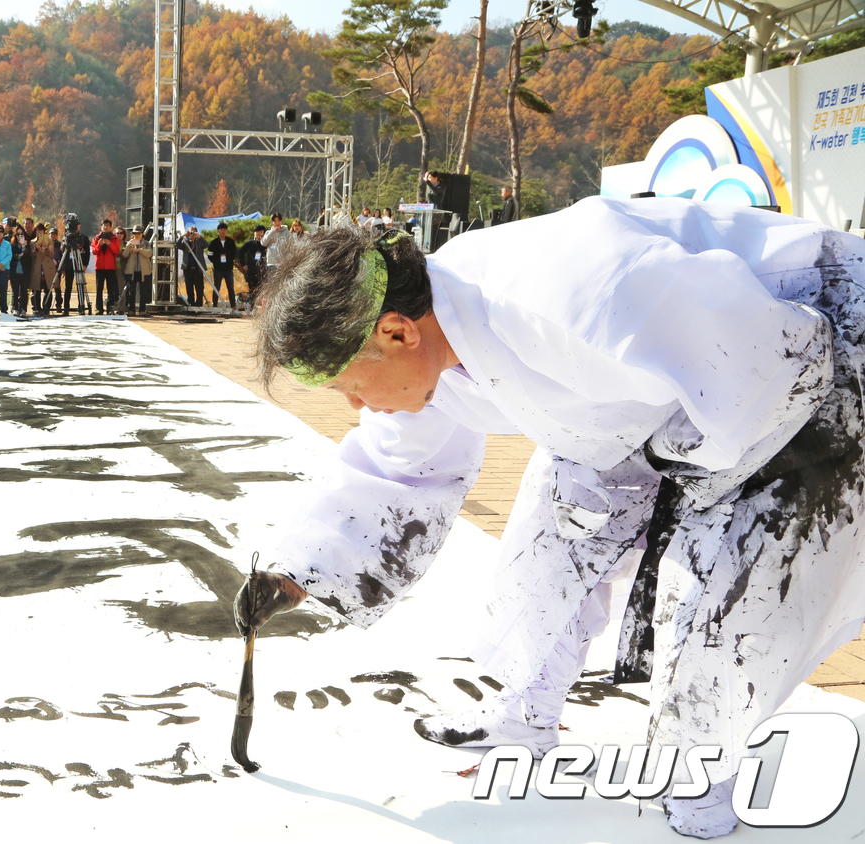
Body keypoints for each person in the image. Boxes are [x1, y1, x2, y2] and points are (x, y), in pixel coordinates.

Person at [240, 200, 865, 839]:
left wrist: (676, 491)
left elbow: (775, 362)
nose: (354, 405)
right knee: (556, 529)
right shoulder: (432, 341)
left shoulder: (572, 291)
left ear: (396, 332)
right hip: (648, 400)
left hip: (807, 356)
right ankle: (525, 710)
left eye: (348, 385)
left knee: (720, 587)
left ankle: (701, 771)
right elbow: (397, 464)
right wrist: (298, 572)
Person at [119, 225, 152, 317]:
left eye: (139, 233)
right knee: (131, 292)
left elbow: (149, 253)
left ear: (142, 234)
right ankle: (131, 310)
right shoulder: (129, 243)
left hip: (143, 271)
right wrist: (128, 246)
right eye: (135, 233)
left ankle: (142, 310)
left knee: (143, 292)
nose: (137, 235)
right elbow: (124, 255)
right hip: (132, 271)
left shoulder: (146, 243)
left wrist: (139, 250)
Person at [90, 218, 119, 315]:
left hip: (110, 267)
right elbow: (94, 252)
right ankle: (99, 308)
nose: (105, 227)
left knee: (111, 289)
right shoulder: (96, 238)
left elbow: (117, 251)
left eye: (107, 225)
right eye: (104, 225)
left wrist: (110, 244)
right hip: (100, 267)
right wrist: (99, 245)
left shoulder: (115, 239)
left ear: (111, 227)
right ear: (101, 227)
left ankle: (110, 307)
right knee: (99, 289)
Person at [206, 225, 238, 310]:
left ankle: (233, 306)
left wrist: (229, 260)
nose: (223, 231)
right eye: (221, 230)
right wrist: (216, 262)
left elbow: (235, 253)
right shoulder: (213, 243)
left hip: (228, 269)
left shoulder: (231, 242)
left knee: (231, 288)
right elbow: (210, 255)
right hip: (218, 269)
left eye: (224, 230)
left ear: (226, 231)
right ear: (218, 231)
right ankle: (215, 306)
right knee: (216, 288)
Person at [176, 226, 207, 307]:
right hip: (188, 269)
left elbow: (206, 245)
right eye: (190, 232)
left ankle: (199, 304)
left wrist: (199, 237)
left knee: (199, 288)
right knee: (189, 288)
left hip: (197, 269)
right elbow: (177, 245)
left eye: (193, 232)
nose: (191, 234)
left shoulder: (199, 243)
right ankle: (191, 304)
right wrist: (182, 236)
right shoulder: (185, 243)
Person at [238, 224, 266, 308]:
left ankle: (263, 308)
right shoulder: (249, 243)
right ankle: (252, 307)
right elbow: (241, 253)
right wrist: (243, 264)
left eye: (260, 231)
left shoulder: (266, 243)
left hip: (263, 271)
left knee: (263, 290)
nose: (258, 233)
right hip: (252, 270)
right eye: (256, 232)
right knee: (252, 290)